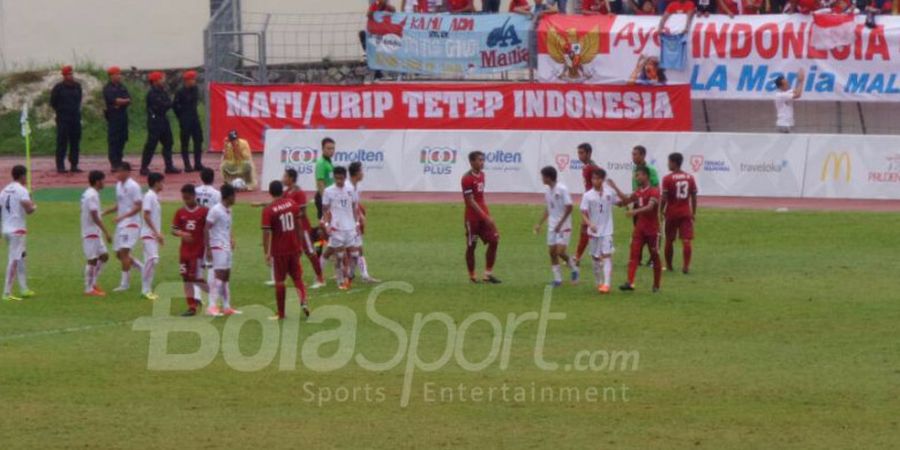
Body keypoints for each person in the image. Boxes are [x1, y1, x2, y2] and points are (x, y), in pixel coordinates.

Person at [262, 180, 309, 320]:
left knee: (280, 281)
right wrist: (300, 244)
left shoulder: (268, 210)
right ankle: (304, 301)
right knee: (297, 278)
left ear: (270, 193)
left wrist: (266, 253)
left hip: (280, 251)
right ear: (282, 191)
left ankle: (281, 314)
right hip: (294, 247)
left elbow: (266, 233)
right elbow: (300, 225)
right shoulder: (292, 204)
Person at [610, 167, 662, 293]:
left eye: (638, 175)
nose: (636, 178)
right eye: (636, 175)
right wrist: (615, 188)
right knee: (634, 255)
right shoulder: (638, 191)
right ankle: (630, 282)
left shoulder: (654, 191)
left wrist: (634, 211)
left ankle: (656, 285)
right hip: (639, 229)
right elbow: (626, 201)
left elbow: (650, 207)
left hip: (653, 230)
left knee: (655, 257)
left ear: (646, 176)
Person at [533, 166, 578, 287]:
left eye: (542, 176)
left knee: (560, 251)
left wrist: (560, 223)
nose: (542, 179)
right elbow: (549, 208)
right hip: (552, 226)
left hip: (564, 225)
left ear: (548, 177)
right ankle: (558, 279)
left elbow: (569, 208)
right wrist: (539, 223)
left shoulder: (562, 189)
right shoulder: (547, 191)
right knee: (552, 252)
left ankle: (574, 268)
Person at [103, 162, 144, 292]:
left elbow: (138, 206)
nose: (117, 174)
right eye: (116, 172)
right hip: (122, 224)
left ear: (127, 172)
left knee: (124, 253)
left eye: (119, 171)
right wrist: (104, 212)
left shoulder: (134, 186)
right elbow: (119, 204)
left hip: (131, 223)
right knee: (118, 254)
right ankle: (143, 269)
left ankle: (124, 284)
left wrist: (123, 216)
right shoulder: (118, 186)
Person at [462, 151, 501, 284]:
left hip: (483, 216)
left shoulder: (482, 175)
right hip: (472, 218)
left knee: (495, 240)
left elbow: (480, 198)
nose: (482, 162)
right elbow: (471, 201)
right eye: (479, 160)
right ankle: (472, 276)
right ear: (472, 162)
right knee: (472, 246)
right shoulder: (466, 178)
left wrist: (487, 215)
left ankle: (487, 274)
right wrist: (485, 216)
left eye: (483, 160)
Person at [283, 169, 326, 288]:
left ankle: (320, 278)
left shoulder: (299, 193)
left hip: (302, 228)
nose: (283, 178)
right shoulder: (287, 192)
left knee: (310, 252)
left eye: (285, 176)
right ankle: (297, 278)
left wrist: (289, 214)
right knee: (293, 254)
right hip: (292, 228)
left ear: (291, 178)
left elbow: (302, 212)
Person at [172, 184, 209, 317]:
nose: (186, 201)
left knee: (196, 278)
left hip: (199, 251)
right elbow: (173, 229)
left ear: (194, 196)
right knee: (186, 278)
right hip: (184, 252)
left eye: (187, 198)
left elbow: (210, 229)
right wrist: (182, 234)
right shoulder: (180, 212)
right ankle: (191, 307)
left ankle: (215, 296)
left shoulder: (204, 211)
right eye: (184, 198)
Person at [0, 165, 36, 301]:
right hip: (17, 230)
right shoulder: (22, 190)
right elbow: (29, 210)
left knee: (21, 256)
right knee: (14, 259)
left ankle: (24, 288)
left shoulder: (4, 190)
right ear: (22, 176)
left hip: (6, 229)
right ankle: (6, 292)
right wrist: (33, 204)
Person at [320, 166, 359, 291]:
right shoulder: (328, 191)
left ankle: (351, 275)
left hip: (350, 227)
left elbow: (354, 207)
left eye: (341, 178)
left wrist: (357, 223)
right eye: (336, 178)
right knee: (340, 255)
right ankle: (340, 279)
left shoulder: (351, 189)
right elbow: (325, 210)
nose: (339, 181)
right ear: (334, 177)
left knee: (355, 254)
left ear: (345, 177)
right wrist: (326, 225)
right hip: (336, 228)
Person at [580, 168, 617, 294]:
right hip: (594, 231)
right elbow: (583, 212)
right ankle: (598, 281)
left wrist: (618, 190)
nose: (594, 181)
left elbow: (620, 202)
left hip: (607, 230)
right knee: (595, 258)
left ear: (602, 179)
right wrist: (590, 224)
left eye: (597, 178)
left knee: (607, 255)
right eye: (593, 178)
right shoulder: (587, 195)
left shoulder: (609, 193)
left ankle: (606, 284)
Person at [205, 183, 241, 317]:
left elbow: (227, 227)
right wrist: (208, 248)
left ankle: (226, 307)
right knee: (218, 275)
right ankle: (212, 306)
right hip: (217, 246)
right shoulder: (215, 210)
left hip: (226, 246)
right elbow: (206, 228)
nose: (235, 198)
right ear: (229, 197)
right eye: (234, 196)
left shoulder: (229, 210)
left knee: (226, 277)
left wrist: (231, 238)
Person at [661, 153, 698, 275]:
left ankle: (669, 266)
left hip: (671, 213)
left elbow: (664, 198)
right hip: (685, 212)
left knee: (669, 240)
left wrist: (661, 211)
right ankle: (686, 266)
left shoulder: (667, 179)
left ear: (673, 163)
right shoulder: (690, 177)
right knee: (686, 240)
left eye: (669, 162)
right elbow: (693, 196)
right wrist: (694, 212)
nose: (668, 164)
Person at [141, 71, 181, 175]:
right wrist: (167, 104)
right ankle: (144, 167)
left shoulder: (162, 91)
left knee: (168, 142)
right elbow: (161, 105)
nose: (163, 80)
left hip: (163, 120)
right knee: (151, 144)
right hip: (155, 121)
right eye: (161, 79)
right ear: (155, 81)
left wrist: (167, 104)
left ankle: (169, 166)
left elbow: (168, 103)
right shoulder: (152, 93)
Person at [81, 170, 113, 297]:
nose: (104, 183)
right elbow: (95, 216)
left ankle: (93, 282)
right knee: (92, 259)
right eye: (103, 180)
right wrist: (106, 232)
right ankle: (88, 288)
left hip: (94, 231)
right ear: (97, 181)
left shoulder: (89, 193)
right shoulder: (92, 195)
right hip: (91, 232)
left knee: (104, 256)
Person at [347, 162, 379, 283]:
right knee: (339, 250)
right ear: (356, 173)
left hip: (353, 222)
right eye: (361, 171)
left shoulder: (358, 187)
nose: (363, 173)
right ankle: (351, 274)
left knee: (357, 249)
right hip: (345, 223)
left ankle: (356, 274)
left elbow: (355, 205)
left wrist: (360, 216)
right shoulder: (347, 187)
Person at [50, 65, 83, 174]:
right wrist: (61, 111)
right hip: (63, 119)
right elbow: (53, 102)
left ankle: (74, 164)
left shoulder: (77, 86)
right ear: (64, 75)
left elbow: (79, 99)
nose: (71, 76)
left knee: (75, 142)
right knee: (62, 142)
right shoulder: (58, 88)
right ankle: (60, 165)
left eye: (71, 74)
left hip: (75, 118)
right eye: (68, 74)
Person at [173, 70, 204, 173]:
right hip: (185, 119)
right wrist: (181, 117)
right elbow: (175, 106)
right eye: (192, 79)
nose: (194, 81)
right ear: (187, 80)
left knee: (198, 140)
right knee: (185, 142)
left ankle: (198, 163)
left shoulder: (195, 89)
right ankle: (187, 164)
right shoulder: (180, 92)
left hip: (194, 118)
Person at [140, 172, 165, 301]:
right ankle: (145, 289)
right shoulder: (149, 196)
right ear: (156, 183)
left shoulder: (153, 197)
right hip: (148, 234)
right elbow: (146, 215)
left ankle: (147, 289)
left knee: (151, 261)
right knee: (152, 259)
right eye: (162, 182)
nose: (163, 184)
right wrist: (156, 232)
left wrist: (158, 234)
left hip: (152, 235)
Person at [574, 143, 599, 267]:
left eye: (582, 153)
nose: (579, 155)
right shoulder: (587, 167)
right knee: (586, 229)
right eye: (578, 153)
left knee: (587, 229)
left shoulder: (591, 168)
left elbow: (598, 184)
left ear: (589, 153)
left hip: (593, 203)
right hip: (589, 201)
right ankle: (578, 257)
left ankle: (578, 257)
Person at [103, 66, 131, 171]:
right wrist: (121, 101)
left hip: (123, 116)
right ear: (111, 76)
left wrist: (121, 102)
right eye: (117, 74)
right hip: (113, 116)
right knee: (114, 140)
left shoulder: (122, 87)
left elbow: (128, 99)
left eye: (119, 74)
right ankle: (114, 162)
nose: (119, 76)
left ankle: (119, 160)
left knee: (122, 138)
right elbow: (115, 101)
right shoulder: (108, 88)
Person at [774, 69, 806, 133]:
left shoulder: (786, 92)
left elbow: (796, 91)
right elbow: (798, 95)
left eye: (787, 83)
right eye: (786, 84)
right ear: (781, 87)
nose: (788, 85)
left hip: (788, 123)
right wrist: (801, 81)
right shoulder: (780, 95)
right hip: (783, 124)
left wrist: (798, 80)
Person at [315, 137, 336, 220]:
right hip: (324, 196)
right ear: (323, 149)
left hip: (329, 195)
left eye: (333, 148)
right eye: (328, 148)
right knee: (324, 222)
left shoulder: (328, 161)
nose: (331, 150)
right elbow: (320, 182)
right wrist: (325, 200)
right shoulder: (321, 163)